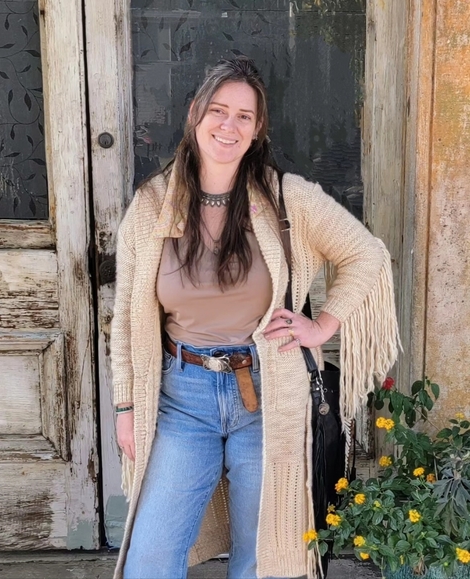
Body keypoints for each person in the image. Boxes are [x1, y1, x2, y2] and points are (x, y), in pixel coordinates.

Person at [110, 56, 400, 579]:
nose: (229, 125)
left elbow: (367, 253)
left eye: (244, 115)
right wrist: (126, 405)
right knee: (149, 558)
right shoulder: (151, 205)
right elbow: (127, 318)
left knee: (262, 560)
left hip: (270, 394)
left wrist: (323, 325)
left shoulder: (287, 197)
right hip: (181, 397)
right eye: (218, 111)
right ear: (195, 114)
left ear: (258, 127)